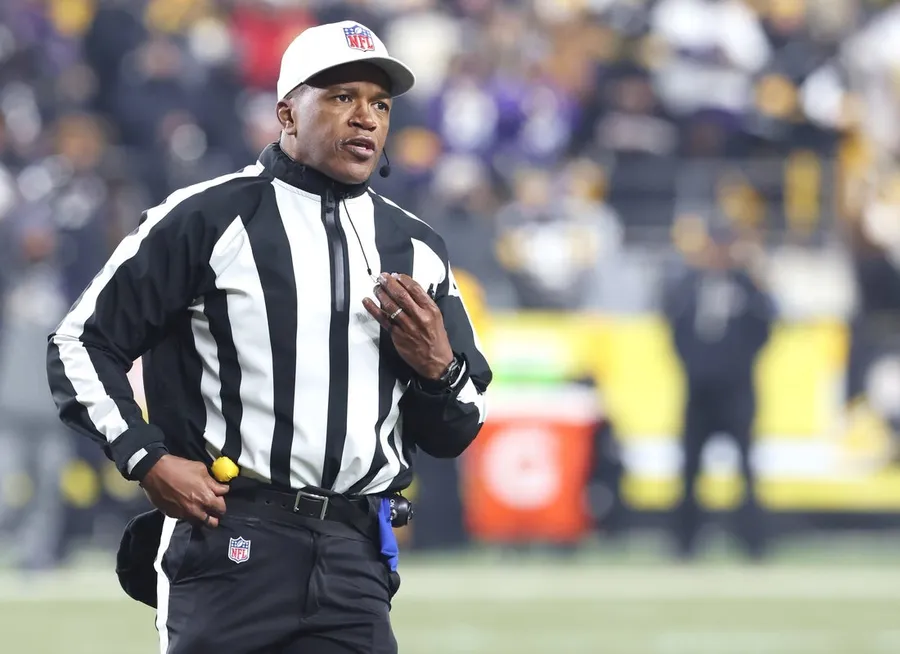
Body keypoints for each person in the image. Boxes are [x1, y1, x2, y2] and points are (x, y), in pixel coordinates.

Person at [46, 20, 491, 654]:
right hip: (229, 538)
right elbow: (80, 342)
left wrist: (439, 370)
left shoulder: (417, 247)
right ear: (286, 113)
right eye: (341, 97)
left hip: (355, 555)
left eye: (380, 104)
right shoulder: (205, 217)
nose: (365, 117)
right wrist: (145, 457)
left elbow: (457, 427)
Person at [663, 224, 773, 561]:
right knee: (690, 468)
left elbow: (765, 326)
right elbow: (675, 327)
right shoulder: (689, 284)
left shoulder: (747, 286)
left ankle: (752, 542)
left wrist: (737, 363)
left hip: (737, 390)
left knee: (746, 469)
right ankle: (686, 542)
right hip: (699, 390)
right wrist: (696, 364)